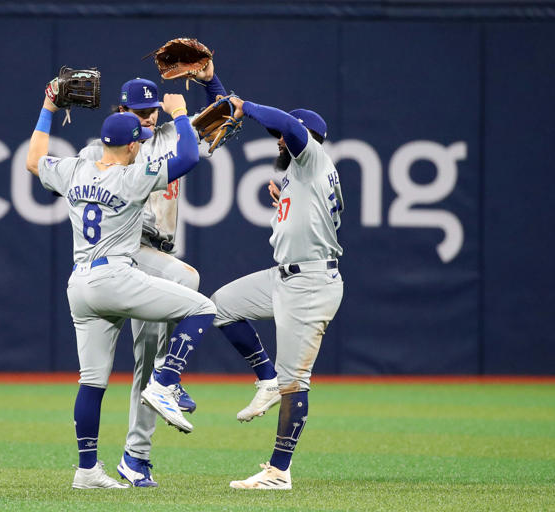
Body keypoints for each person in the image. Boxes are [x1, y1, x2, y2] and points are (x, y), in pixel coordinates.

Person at [25, 87, 216, 489]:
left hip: (80, 282)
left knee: (92, 382)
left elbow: (32, 160)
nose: (145, 129)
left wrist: (47, 107)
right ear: (130, 142)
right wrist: (180, 112)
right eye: (139, 128)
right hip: (119, 271)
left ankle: (89, 470)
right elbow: (188, 157)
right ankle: (167, 379)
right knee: (200, 303)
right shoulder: (128, 175)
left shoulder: (77, 168)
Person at [77, 63, 228, 487]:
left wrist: (208, 80)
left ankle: (135, 457)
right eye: (139, 111)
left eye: (153, 110)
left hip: (157, 253)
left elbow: (225, 116)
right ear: (121, 109)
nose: (148, 118)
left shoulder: (173, 136)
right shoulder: (100, 149)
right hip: (125, 251)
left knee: (145, 369)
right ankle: (170, 379)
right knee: (188, 281)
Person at [209, 98, 344, 490]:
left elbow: (288, 126)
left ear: (304, 140)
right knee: (218, 306)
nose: (278, 144)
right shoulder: (301, 175)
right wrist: (213, 87)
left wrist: (243, 104)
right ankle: (265, 377)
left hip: (311, 283)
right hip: (283, 276)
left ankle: (278, 471)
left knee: (296, 382)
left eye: (283, 139)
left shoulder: (314, 157)